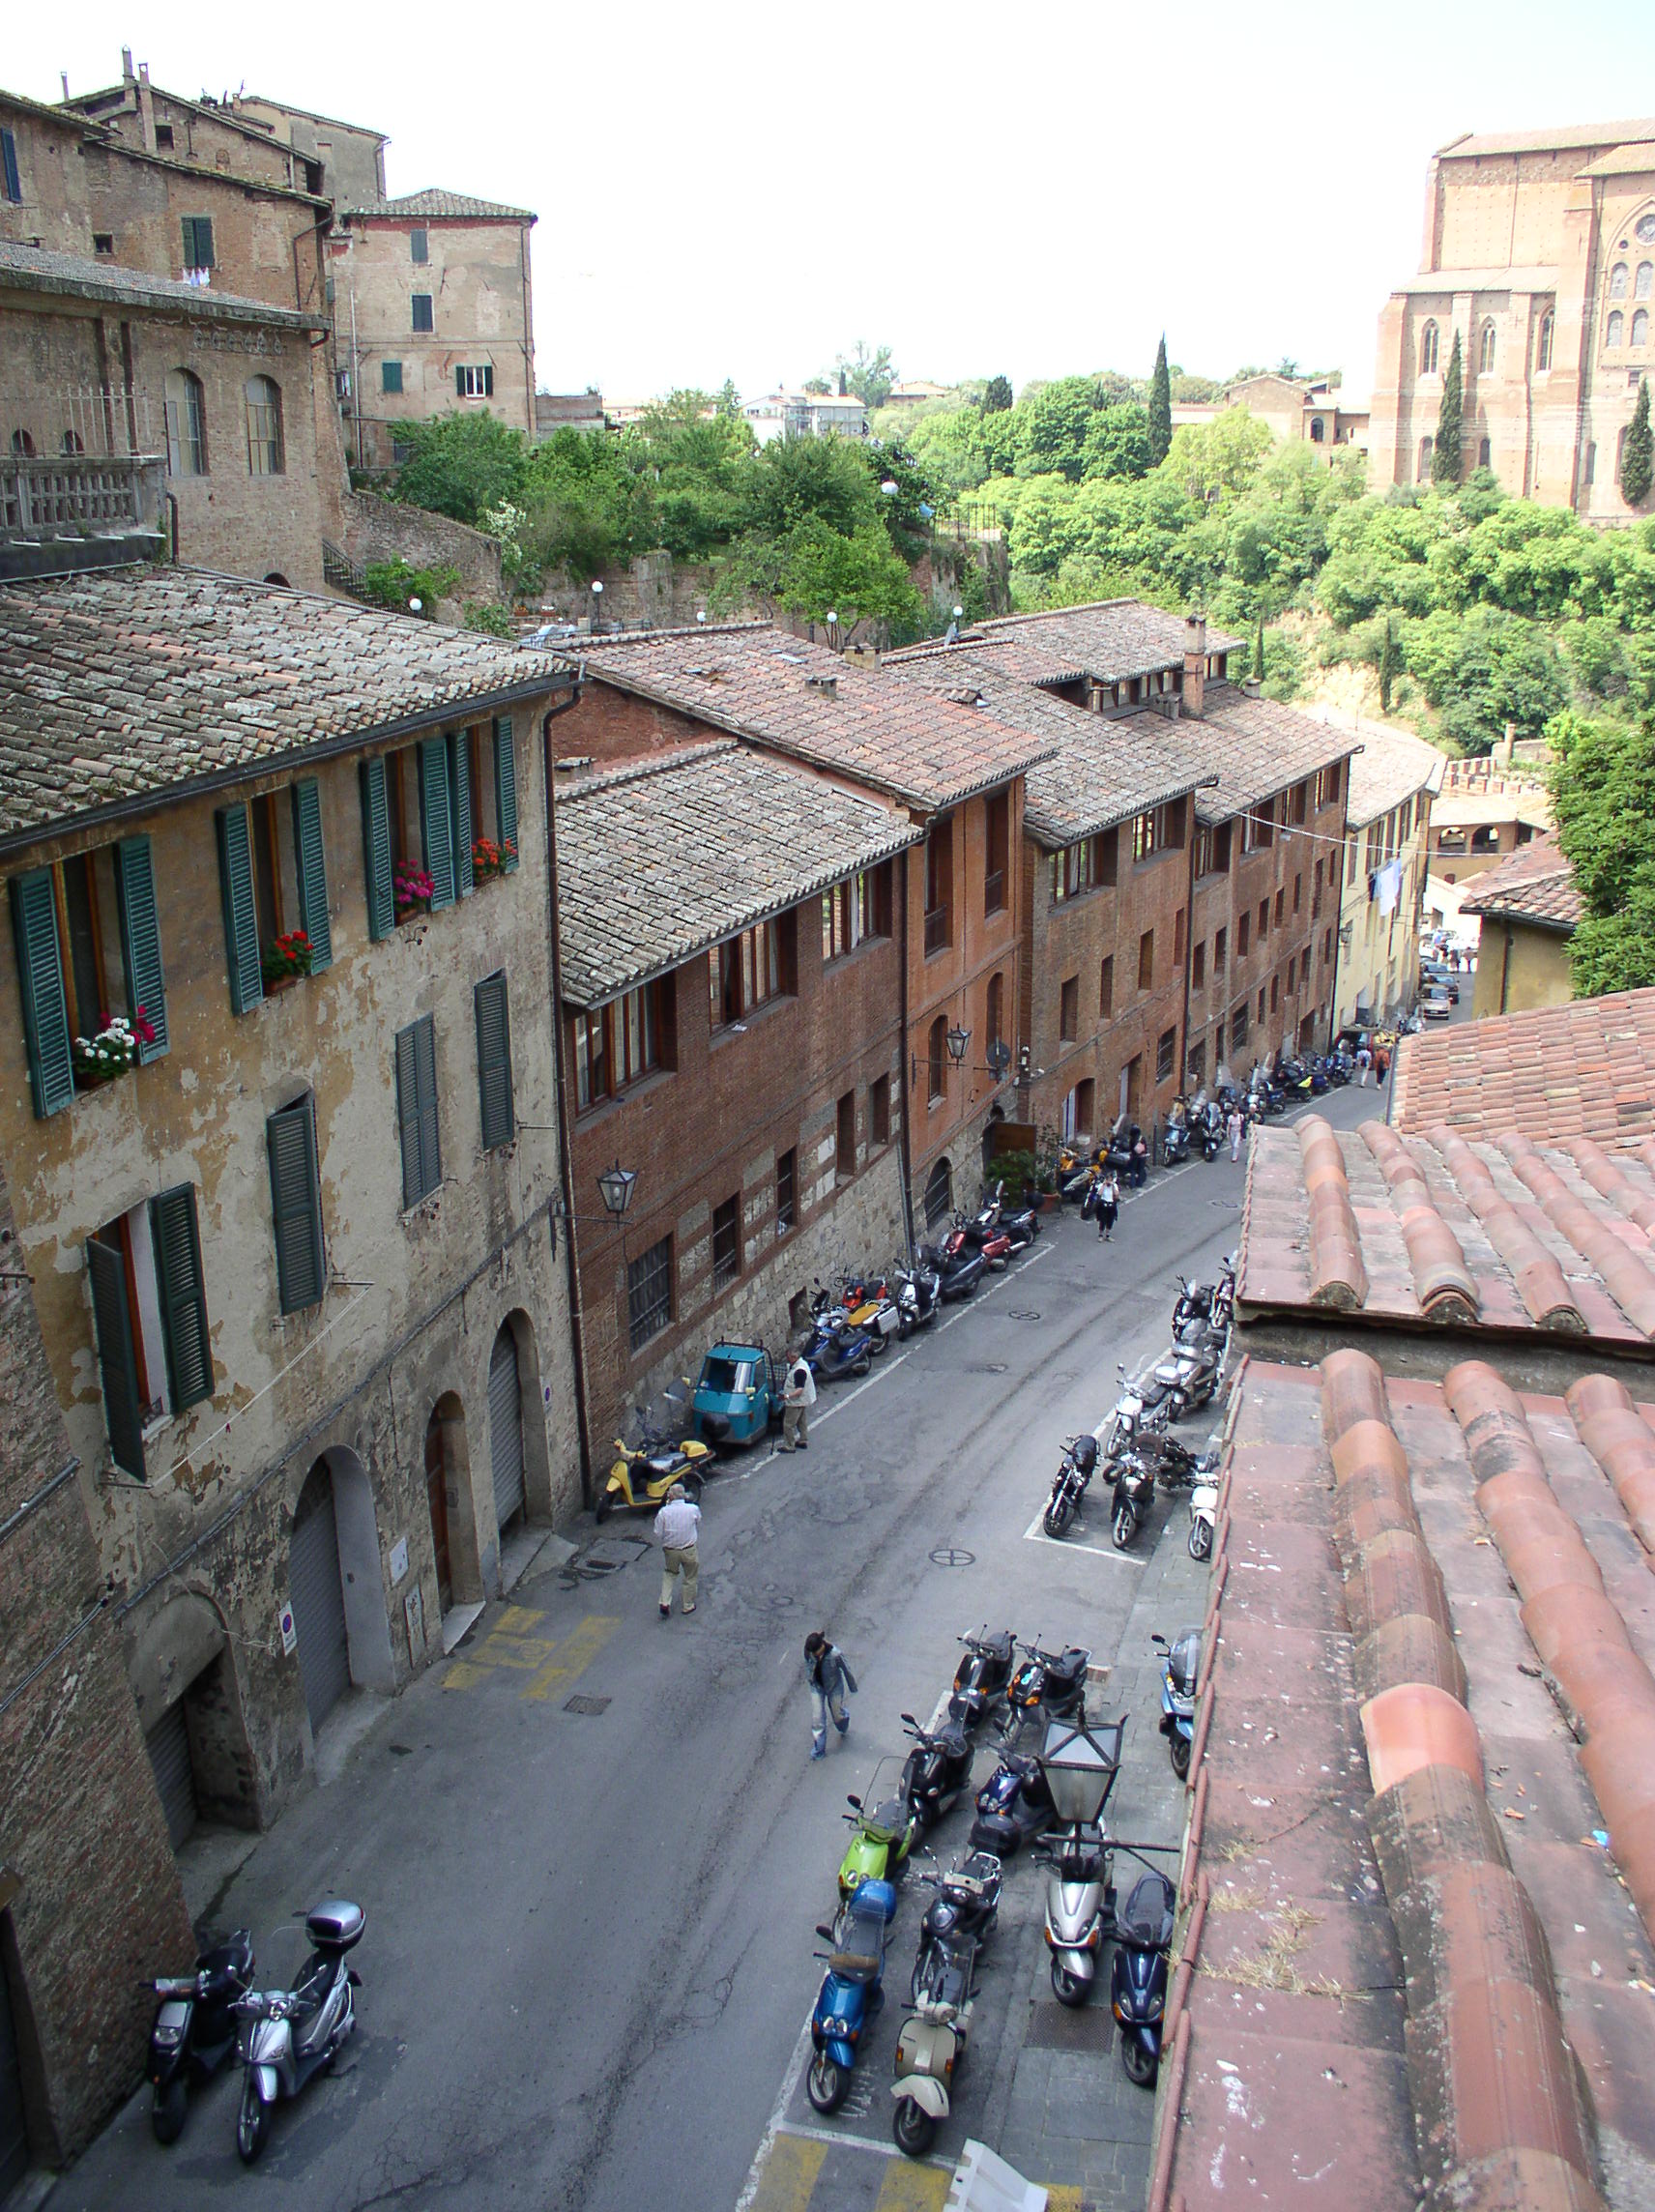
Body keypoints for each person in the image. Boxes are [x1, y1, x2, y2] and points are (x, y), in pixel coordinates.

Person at [804, 1630, 857, 1759]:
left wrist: (852, 1686)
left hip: (834, 1688)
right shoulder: (809, 1652)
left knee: (837, 1715)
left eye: (816, 1652)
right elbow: (808, 1664)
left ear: (822, 1646)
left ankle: (843, 1721)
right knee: (818, 1719)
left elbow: (846, 1669)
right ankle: (819, 1750)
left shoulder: (835, 1654)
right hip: (817, 1687)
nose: (814, 1655)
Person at [653, 1481, 700, 1618]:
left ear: (671, 1496)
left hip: (671, 1550)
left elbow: (658, 1533)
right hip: (689, 1549)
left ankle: (665, 1602)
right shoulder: (693, 1509)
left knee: (670, 1574)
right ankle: (688, 1605)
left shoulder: (664, 1512)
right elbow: (698, 1522)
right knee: (690, 1576)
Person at [780, 1352, 816, 1451]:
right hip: (803, 1400)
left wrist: (786, 1396)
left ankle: (789, 1446)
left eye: (788, 1357)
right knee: (801, 1421)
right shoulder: (802, 1364)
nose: (787, 1359)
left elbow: (799, 1390)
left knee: (788, 1424)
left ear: (794, 1357)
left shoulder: (799, 1371)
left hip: (795, 1402)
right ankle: (803, 1440)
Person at [1095, 1169, 1119, 1241]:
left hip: (1111, 1205)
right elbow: (1099, 1193)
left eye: (1110, 1179)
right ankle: (1100, 1235)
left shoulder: (1114, 1185)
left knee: (1110, 1220)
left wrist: (1112, 1186)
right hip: (1103, 1204)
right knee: (1102, 1220)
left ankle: (1108, 1235)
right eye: (1108, 1179)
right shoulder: (1101, 1185)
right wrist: (1104, 1184)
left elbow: (1117, 1195)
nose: (1109, 1180)